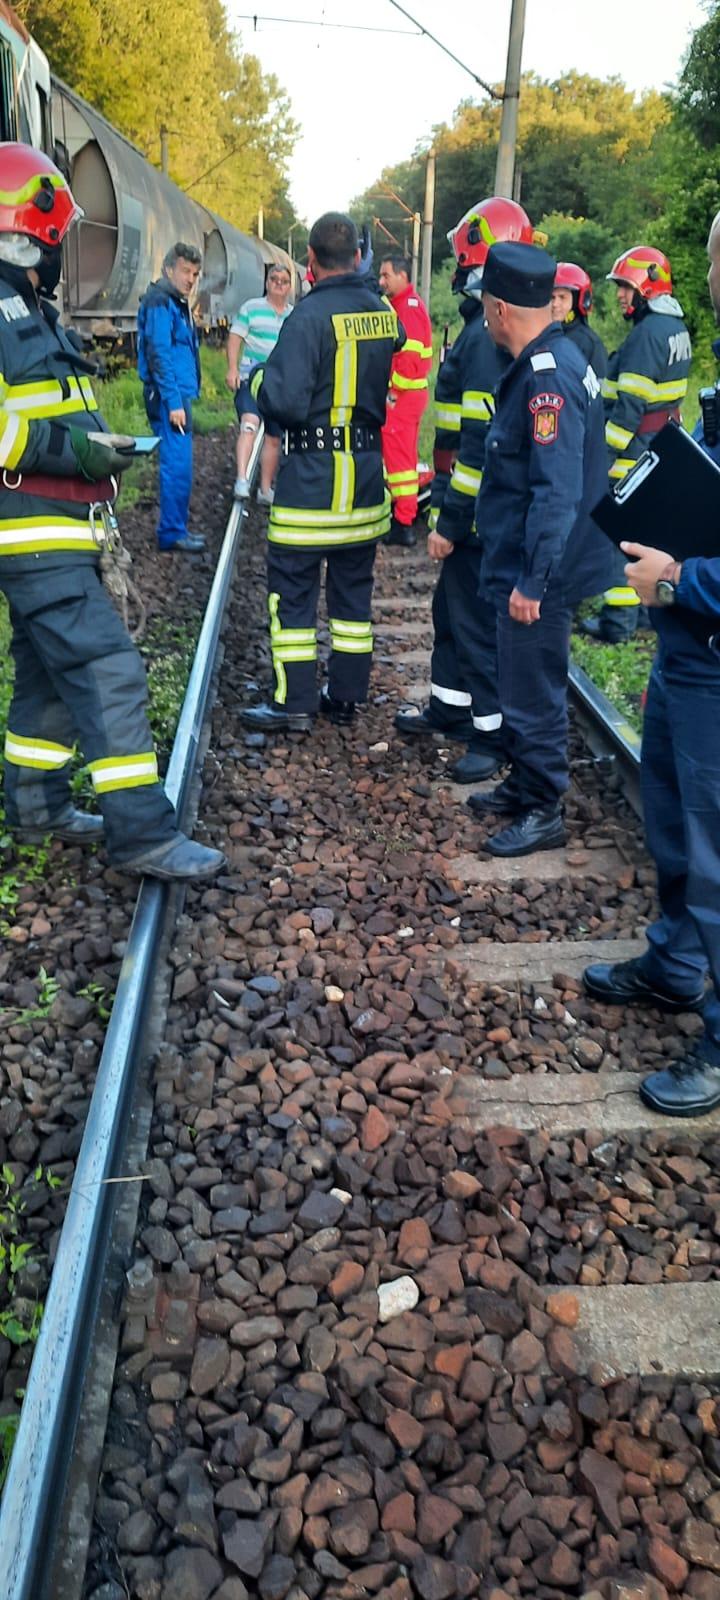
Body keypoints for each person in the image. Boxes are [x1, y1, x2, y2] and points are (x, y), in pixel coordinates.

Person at [0, 144, 225, 882]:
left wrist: (98, 449)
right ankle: (143, 835)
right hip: (31, 532)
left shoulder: (26, 306)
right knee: (109, 669)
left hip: (51, 528)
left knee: (45, 677)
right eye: (58, 235)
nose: (64, 250)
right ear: (35, 232)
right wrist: (82, 453)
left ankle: (35, 811)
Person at [583, 208, 720, 1117]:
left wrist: (683, 578)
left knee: (715, 849)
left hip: (705, 626)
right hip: (688, 650)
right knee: (672, 821)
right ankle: (676, 964)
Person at [467, 240, 612, 857]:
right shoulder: (555, 357)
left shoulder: (546, 379)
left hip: (541, 568)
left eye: (484, 307)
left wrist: (532, 580)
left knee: (533, 687)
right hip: (534, 557)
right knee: (521, 676)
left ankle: (545, 807)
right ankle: (527, 782)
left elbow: (555, 490)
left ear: (500, 309)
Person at [238, 211, 402, 733]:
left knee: (293, 598)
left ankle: (295, 703)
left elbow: (282, 403)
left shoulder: (305, 318)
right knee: (354, 599)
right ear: (358, 258)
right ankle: (348, 695)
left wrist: (257, 381)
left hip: (312, 483)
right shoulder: (382, 313)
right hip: (364, 483)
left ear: (309, 261)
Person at [395, 197, 535, 784]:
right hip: (470, 500)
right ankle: (451, 708)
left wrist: (452, 522)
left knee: (476, 624)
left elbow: (479, 447)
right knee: (450, 612)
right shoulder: (481, 328)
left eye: (460, 254)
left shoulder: (485, 337)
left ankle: (489, 736)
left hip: (480, 512)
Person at [581, 245, 691, 643]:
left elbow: (629, 408)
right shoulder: (675, 329)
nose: (621, 295)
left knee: (619, 534)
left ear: (648, 286)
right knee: (647, 534)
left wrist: (602, 457)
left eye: (627, 287)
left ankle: (617, 624)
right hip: (658, 445)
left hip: (631, 450)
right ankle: (644, 616)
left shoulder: (647, 335)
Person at [137, 242, 204, 554]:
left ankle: (176, 528)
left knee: (181, 464)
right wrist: (174, 402)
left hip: (175, 396)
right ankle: (172, 533)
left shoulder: (176, 303)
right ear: (168, 270)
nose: (190, 278)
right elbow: (159, 353)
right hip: (168, 399)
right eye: (185, 271)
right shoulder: (159, 302)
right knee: (176, 466)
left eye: (195, 273)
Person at [226, 264, 294, 505]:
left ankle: (265, 488)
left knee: (274, 437)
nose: (278, 284)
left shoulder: (293, 315)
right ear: (267, 283)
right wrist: (233, 368)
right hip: (251, 377)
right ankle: (242, 479)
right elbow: (235, 337)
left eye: (283, 281)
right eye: (273, 279)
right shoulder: (251, 308)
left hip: (278, 383)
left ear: (289, 287)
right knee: (249, 424)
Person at [377, 254, 432, 548]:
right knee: (403, 460)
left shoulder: (407, 310)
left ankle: (403, 524)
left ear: (402, 276)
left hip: (403, 396)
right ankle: (402, 516)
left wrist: (393, 393)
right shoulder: (402, 306)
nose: (381, 281)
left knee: (400, 464)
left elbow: (409, 361)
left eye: (386, 275)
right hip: (407, 395)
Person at [551, 262, 607, 378]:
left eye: (562, 297)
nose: (555, 304)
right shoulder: (539, 336)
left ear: (578, 301)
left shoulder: (589, 344)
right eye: (552, 297)